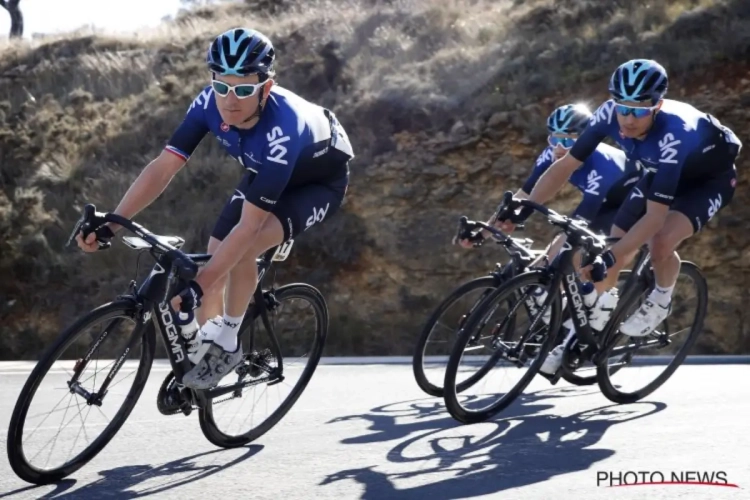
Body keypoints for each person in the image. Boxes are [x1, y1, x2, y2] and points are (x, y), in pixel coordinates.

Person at [75, 28, 354, 390]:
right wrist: (113, 224)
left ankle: (228, 342)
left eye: (242, 89)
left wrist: (197, 288)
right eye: (222, 86)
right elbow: (164, 167)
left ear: (265, 89)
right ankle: (205, 345)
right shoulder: (208, 103)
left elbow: (249, 229)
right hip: (264, 172)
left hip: (317, 184)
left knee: (242, 250)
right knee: (213, 256)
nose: (229, 100)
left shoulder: (283, 130)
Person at [513, 58, 741, 373]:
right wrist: (522, 205)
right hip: (657, 172)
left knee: (659, 241)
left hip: (705, 182)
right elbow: (565, 166)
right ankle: (586, 324)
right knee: (610, 246)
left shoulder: (674, 134)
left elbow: (655, 219)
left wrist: (614, 255)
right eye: (623, 106)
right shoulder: (608, 114)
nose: (628, 119)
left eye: (639, 110)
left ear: (657, 105)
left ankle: (661, 298)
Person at [459, 103, 642, 330]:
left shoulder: (602, 166)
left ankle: (597, 314)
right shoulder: (551, 154)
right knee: (552, 259)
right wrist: (485, 232)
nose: (559, 147)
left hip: (632, 202)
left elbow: (584, 218)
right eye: (554, 139)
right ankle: (559, 317)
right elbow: (525, 195)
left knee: (572, 248)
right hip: (602, 202)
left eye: (568, 140)